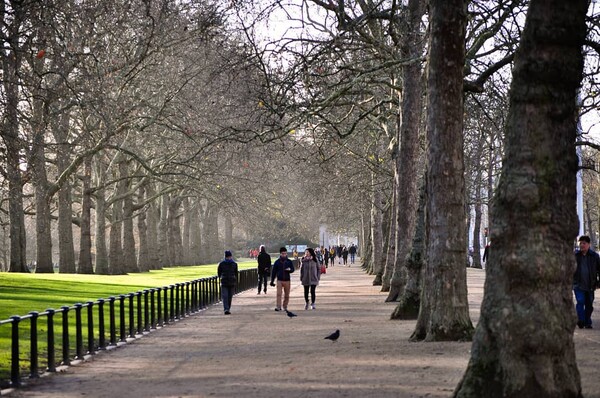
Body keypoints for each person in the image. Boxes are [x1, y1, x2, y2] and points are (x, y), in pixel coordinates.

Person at [574, 235, 600, 329]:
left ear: (589, 244)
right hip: (578, 284)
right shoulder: (575, 256)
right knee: (580, 301)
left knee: (589, 305)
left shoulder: (594, 256)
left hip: (590, 285)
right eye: (580, 243)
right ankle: (581, 320)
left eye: (584, 243)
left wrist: (598, 282)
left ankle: (587, 321)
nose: (582, 245)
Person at [270, 247, 295, 312]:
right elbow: (274, 272)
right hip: (279, 280)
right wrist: (272, 281)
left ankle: (285, 306)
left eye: (285, 254)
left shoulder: (289, 261)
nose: (284, 255)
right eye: (283, 254)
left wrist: (290, 270)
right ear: (280, 254)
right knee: (279, 294)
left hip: (287, 280)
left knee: (287, 294)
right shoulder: (277, 262)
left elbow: (292, 269)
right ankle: (278, 306)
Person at [217, 250, 238, 315]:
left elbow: (236, 273)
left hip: (231, 282)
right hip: (224, 282)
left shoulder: (234, 264)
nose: (229, 258)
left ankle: (228, 308)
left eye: (229, 256)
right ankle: (226, 309)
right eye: (228, 257)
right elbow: (219, 272)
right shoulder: (222, 264)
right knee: (225, 296)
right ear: (225, 257)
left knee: (229, 297)